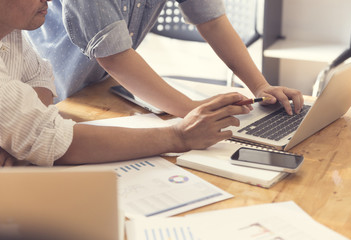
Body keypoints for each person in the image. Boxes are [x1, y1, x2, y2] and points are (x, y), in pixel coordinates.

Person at [0, 0, 251, 167]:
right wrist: (180, 135)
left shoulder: (11, 33)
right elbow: (54, 139)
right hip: (72, 94)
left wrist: (21, 130)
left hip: (86, 94)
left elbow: (39, 75)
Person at [25, 0, 304, 117]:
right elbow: (114, 57)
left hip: (99, 89)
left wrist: (259, 86)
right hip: (50, 97)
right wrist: (191, 110)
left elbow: (213, 22)